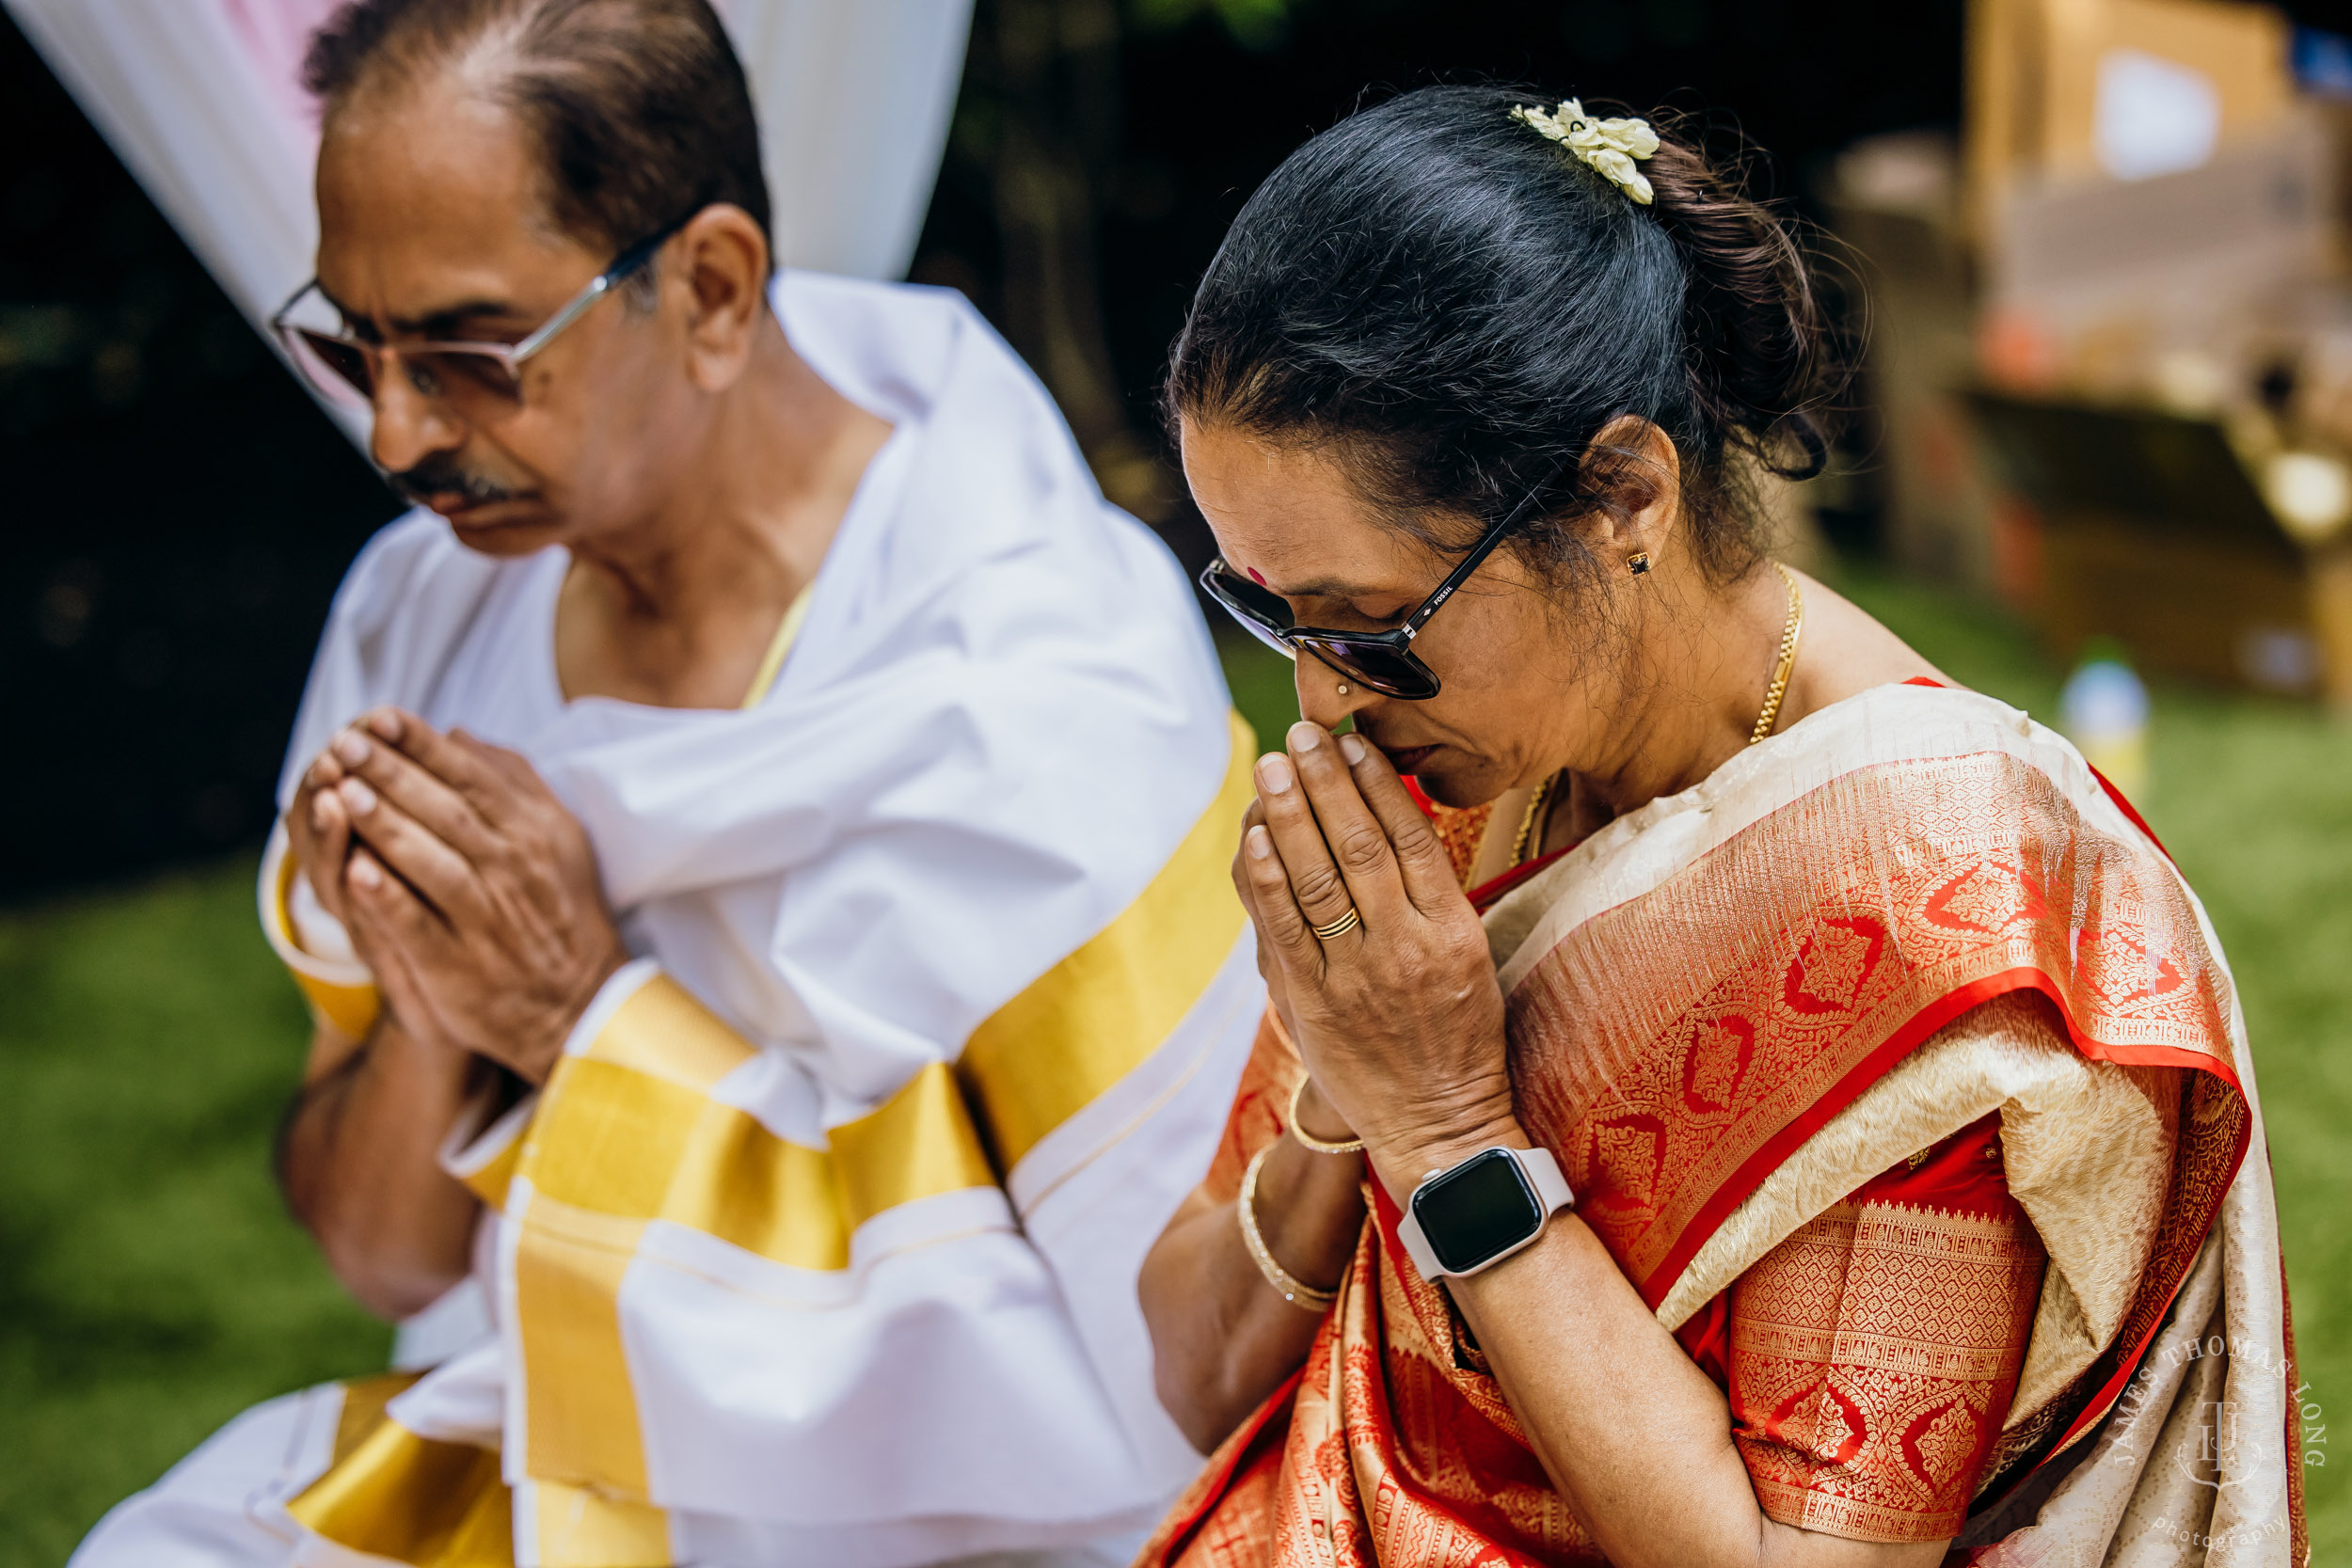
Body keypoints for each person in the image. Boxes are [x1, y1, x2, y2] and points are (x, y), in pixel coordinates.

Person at [71, 3, 1261, 1565]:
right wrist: (439, 997)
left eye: (470, 355)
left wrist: (579, 1023)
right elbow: (380, 1258)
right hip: (552, 1442)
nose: (396, 433)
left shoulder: (1045, 679)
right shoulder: (421, 606)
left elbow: (1157, 1364)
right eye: (351, 345)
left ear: (709, 290)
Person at [1134, 86, 2302, 1567]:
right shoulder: (1449, 775)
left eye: (1372, 622)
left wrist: (1445, 1132)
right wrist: (1347, 1076)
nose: (1323, 699)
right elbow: (1191, 1369)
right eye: (1264, 609)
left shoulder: (1927, 909)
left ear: (1624, 495)